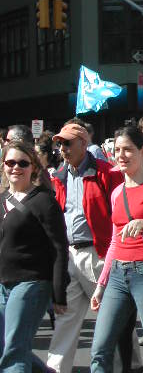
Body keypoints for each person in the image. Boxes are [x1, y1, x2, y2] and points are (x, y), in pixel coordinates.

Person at [90, 126, 143, 372]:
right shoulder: (117, 192)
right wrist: (101, 285)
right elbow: (115, 241)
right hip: (117, 274)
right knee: (99, 350)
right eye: (117, 150)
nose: (121, 155)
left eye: (128, 149)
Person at [46, 122, 124, 373]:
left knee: (110, 317)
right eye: (60, 144)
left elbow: (119, 214)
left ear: (83, 143)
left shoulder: (106, 172)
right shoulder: (59, 175)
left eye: (67, 143)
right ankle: (56, 369)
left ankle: (128, 365)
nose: (63, 148)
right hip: (69, 254)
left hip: (97, 254)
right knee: (65, 318)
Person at [0, 141, 69, 372]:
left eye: (22, 163)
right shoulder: (1, 200)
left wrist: (58, 292)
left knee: (14, 351)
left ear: (34, 168)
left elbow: (59, 247)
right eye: (10, 162)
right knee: (7, 348)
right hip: (3, 284)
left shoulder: (43, 201)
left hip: (32, 282)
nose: (15, 168)